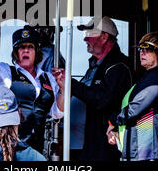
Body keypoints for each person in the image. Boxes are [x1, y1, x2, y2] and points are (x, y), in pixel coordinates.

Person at [0, 4, 64, 154]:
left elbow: (57, 113)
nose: (26, 50)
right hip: (10, 150)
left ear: (37, 52)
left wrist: (63, 89)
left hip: (37, 149)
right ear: (16, 53)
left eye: (30, 47)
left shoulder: (48, 78)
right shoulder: (7, 73)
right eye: (21, 47)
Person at [52, 16, 133, 161]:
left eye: (90, 35)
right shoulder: (96, 66)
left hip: (101, 147)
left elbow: (104, 100)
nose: (85, 39)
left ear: (104, 37)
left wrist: (72, 84)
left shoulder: (118, 67)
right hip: (82, 146)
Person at [107, 31, 158, 161]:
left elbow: (134, 109)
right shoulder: (146, 77)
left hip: (147, 152)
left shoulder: (156, 79)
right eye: (140, 49)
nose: (142, 53)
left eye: (148, 49)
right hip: (139, 150)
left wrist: (113, 121)